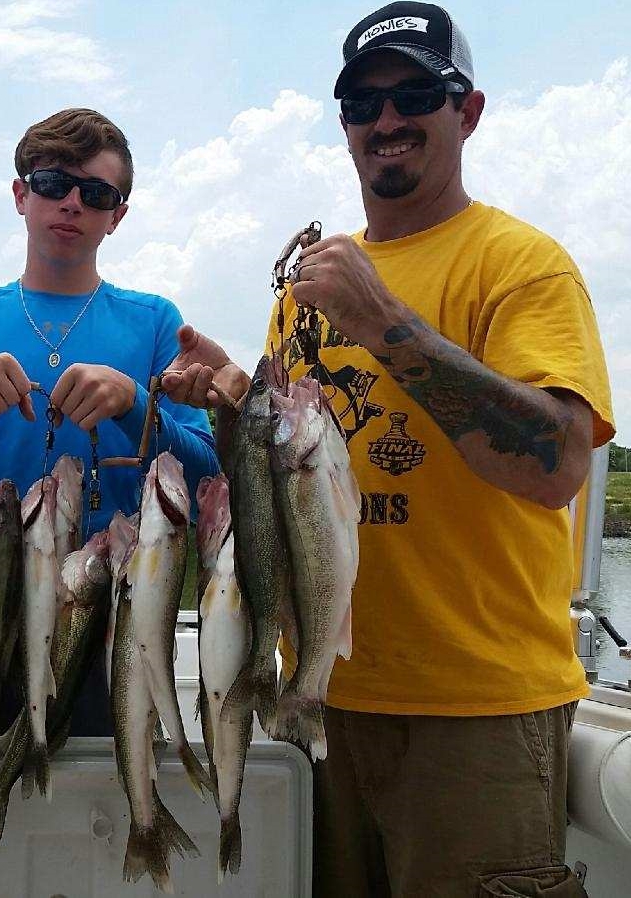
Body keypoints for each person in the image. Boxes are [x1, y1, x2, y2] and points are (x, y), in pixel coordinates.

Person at [162, 4, 614, 895]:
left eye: (416, 93)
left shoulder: (520, 265)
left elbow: (558, 464)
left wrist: (384, 323)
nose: (387, 120)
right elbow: (291, 481)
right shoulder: (300, 297)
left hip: (476, 715)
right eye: (363, 104)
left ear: (468, 111)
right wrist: (235, 406)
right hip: (320, 707)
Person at [0, 108, 219, 733]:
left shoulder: (155, 323)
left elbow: (207, 482)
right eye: (52, 184)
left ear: (116, 216)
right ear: (21, 194)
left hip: (106, 618)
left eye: (95, 194)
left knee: (91, 814)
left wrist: (135, 405)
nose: (71, 203)